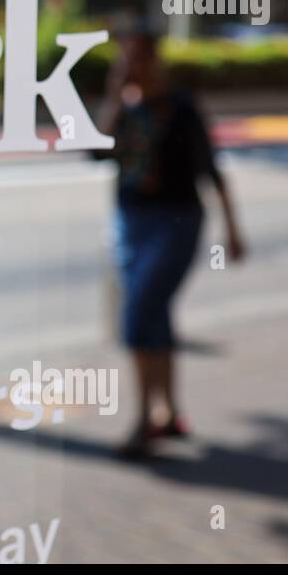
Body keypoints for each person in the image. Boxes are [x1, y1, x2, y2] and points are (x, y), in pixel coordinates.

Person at [96, 27, 246, 459]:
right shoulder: (124, 109)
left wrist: (232, 228)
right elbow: (97, 151)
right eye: (125, 60)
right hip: (131, 220)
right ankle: (170, 412)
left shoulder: (180, 108)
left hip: (175, 222)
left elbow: (210, 168)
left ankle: (145, 420)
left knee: (140, 311)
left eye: (139, 58)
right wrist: (113, 95)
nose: (133, 67)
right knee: (154, 314)